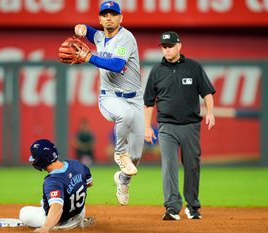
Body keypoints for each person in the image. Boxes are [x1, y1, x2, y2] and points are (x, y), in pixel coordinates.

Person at [73, 1, 145, 206]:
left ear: (121, 18)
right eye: (105, 14)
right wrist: (81, 28)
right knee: (125, 115)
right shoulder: (98, 36)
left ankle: (122, 180)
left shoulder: (126, 37)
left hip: (135, 99)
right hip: (109, 97)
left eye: (113, 14)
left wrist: (89, 57)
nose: (109, 17)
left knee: (137, 156)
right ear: (100, 18)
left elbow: (116, 64)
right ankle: (120, 152)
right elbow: (90, 32)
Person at [143, 32, 216, 220]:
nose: (167, 49)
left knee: (192, 165)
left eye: (170, 46)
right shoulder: (157, 71)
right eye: (164, 46)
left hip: (190, 125)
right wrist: (147, 127)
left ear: (179, 46)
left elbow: (207, 92)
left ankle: (192, 206)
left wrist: (210, 112)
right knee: (169, 165)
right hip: (166, 126)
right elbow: (149, 102)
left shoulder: (193, 67)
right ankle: (172, 207)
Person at [19, 139, 94, 231]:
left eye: (35, 158)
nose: (34, 161)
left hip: (60, 222)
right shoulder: (76, 164)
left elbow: (57, 208)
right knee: (49, 199)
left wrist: (45, 228)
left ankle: (55, 225)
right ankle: (77, 220)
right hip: (79, 214)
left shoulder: (52, 181)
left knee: (24, 212)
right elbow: (89, 183)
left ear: (42, 159)